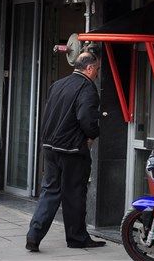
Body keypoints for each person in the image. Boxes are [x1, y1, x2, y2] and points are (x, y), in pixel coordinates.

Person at [26, 51, 105, 252]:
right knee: (75, 194)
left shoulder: (58, 84)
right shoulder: (87, 87)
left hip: (50, 146)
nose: (97, 73)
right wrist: (92, 134)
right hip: (72, 149)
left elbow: (48, 113)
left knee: (50, 191)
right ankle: (77, 238)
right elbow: (86, 117)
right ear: (89, 68)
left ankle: (33, 236)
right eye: (96, 69)